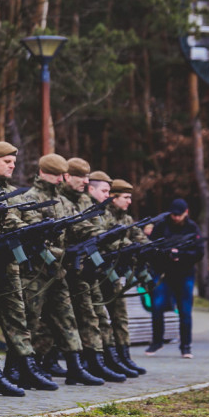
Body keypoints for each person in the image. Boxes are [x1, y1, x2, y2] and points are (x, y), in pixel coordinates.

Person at [19, 154, 104, 386]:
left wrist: (98, 234)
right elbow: (32, 236)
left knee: (67, 319)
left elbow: (77, 226)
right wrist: (61, 252)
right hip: (34, 273)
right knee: (30, 321)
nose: (60, 179)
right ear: (44, 173)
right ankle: (22, 367)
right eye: (56, 175)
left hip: (57, 273)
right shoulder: (31, 198)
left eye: (62, 175)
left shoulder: (63, 202)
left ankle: (75, 367)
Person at [0, 141, 59, 391]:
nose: (12, 166)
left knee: (19, 317)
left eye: (14, 163)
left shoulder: (14, 192)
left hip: (9, 264)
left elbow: (17, 220)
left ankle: (19, 367)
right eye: (7, 162)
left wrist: (34, 230)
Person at [61, 157, 125, 383]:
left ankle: (98, 360)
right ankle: (34, 363)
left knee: (93, 315)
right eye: (82, 178)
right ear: (67, 176)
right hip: (63, 267)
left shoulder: (83, 203)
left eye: (87, 178)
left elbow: (91, 228)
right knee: (53, 320)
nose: (85, 182)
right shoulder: (61, 200)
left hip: (84, 267)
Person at [98, 178, 148, 374]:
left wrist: (150, 248)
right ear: (112, 197)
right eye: (125, 197)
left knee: (120, 316)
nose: (129, 202)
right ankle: (106, 357)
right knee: (100, 319)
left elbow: (139, 237)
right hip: (101, 273)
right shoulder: (103, 215)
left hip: (115, 274)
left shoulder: (126, 219)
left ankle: (123, 356)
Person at [147, 198, 202, 358]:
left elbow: (199, 252)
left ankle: (186, 346)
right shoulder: (161, 226)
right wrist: (166, 254)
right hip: (164, 273)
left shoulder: (192, 228)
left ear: (186, 213)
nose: (176, 218)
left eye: (179, 215)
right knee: (157, 307)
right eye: (174, 215)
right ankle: (157, 341)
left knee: (185, 311)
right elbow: (152, 248)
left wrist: (181, 256)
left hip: (185, 274)